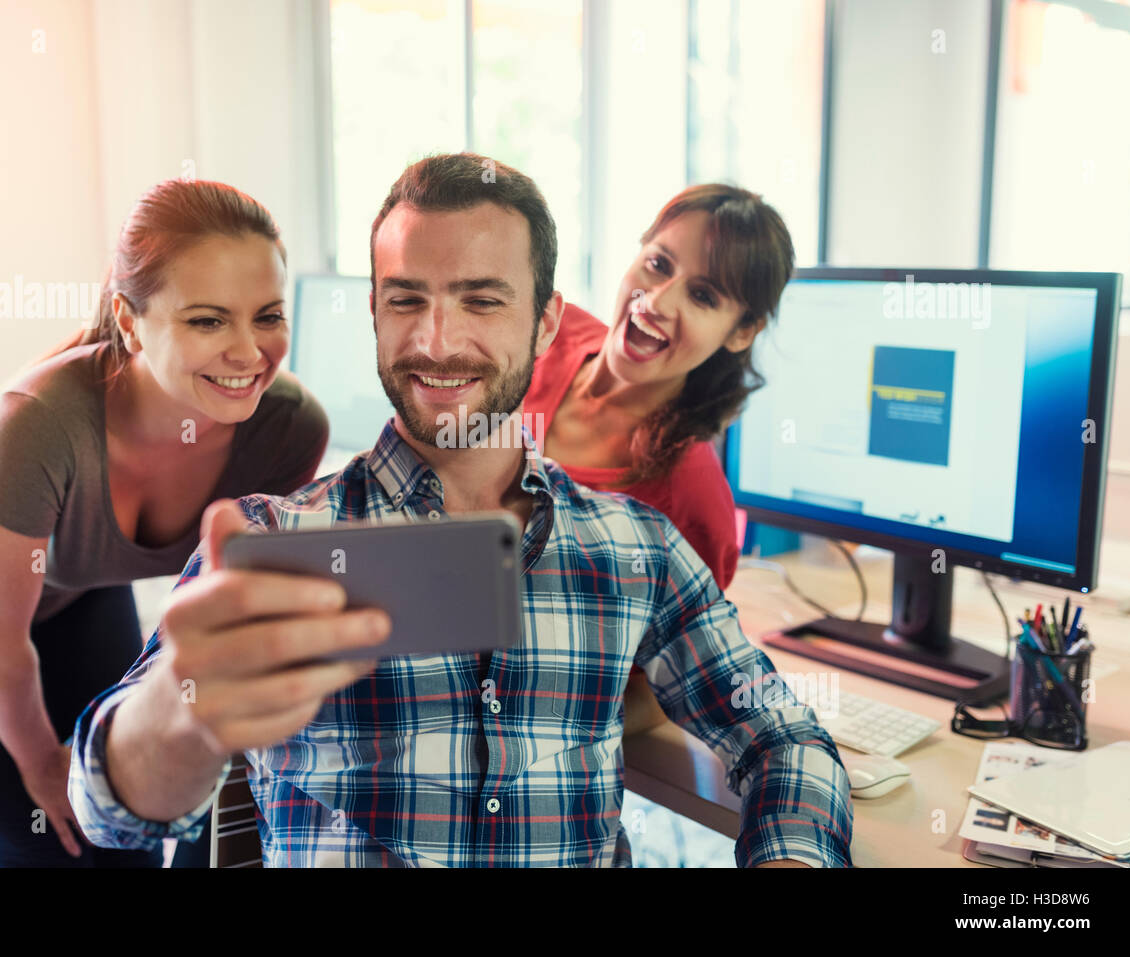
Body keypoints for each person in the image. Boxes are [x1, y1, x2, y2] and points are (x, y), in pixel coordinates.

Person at [69, 153, 852, 868]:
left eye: (482, 300)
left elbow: (784, 735)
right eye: (407, 299)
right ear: (373, 311)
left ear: (546, 321)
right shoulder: (274, 538)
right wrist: (184, 704)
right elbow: (105, 810)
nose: (439, 341)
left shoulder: (637, 547)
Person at [0, 179, 329, 867]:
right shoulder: (38, 423)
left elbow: (235, 614)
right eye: (207, 320)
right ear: (130, 323)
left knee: (128, 825)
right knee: (63, 844)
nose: (250, 352)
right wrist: (42, 762)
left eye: (268, 315)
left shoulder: (286, 430)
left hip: (76, 581)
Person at [521, 184, 795, 739]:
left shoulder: (688, 494)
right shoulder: (542, 331)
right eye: (657, 264)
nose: (658, 301)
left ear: (742, 331)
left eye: (703, 296)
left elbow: (659, 688)